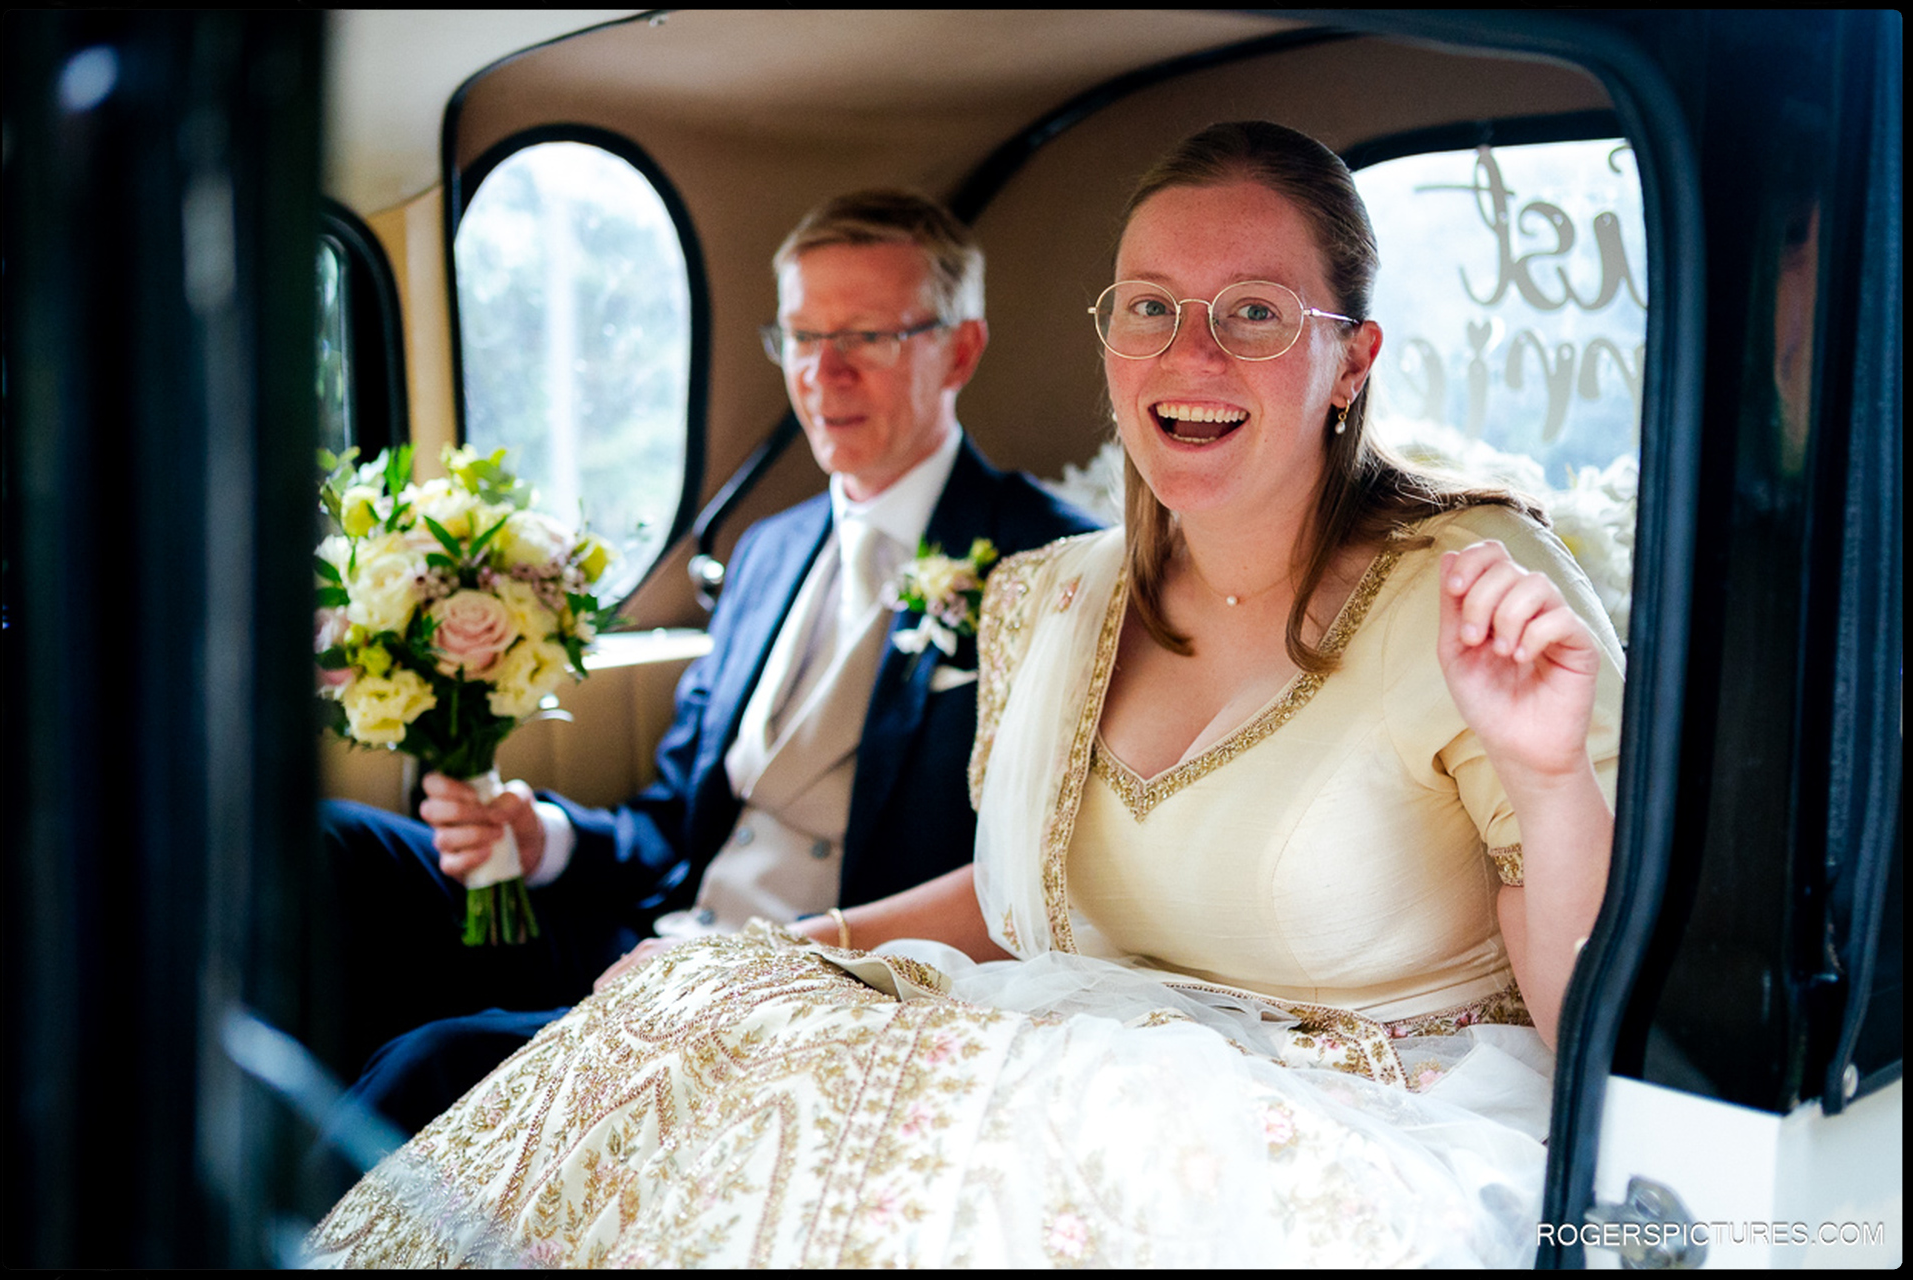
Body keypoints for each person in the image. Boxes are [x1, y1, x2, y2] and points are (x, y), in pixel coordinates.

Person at [304, 122, 1625, 1268]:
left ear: (1351, 357)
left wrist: (1551, 775)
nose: (1190, 353)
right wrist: (779, 952)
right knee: (673, 1039)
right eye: (1152, 307)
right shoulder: (1062, 598)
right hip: (1059, 1045)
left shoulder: (1475, 593)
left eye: (1255, 312)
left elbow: (1604, 1031)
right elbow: (1009, 900)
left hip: (1349, 1121)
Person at [317, 189, 1100, 1127]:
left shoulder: (1051, 561)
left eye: (868, 337)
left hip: (822, 986)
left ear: (960, 349)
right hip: (655, 928)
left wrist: (754, 965)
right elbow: (673, 820)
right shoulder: (771, 547)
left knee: (432, 1062)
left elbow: (1033, 872)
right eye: (803, 339)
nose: (824, 374)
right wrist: (543, 838)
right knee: (333, 851)